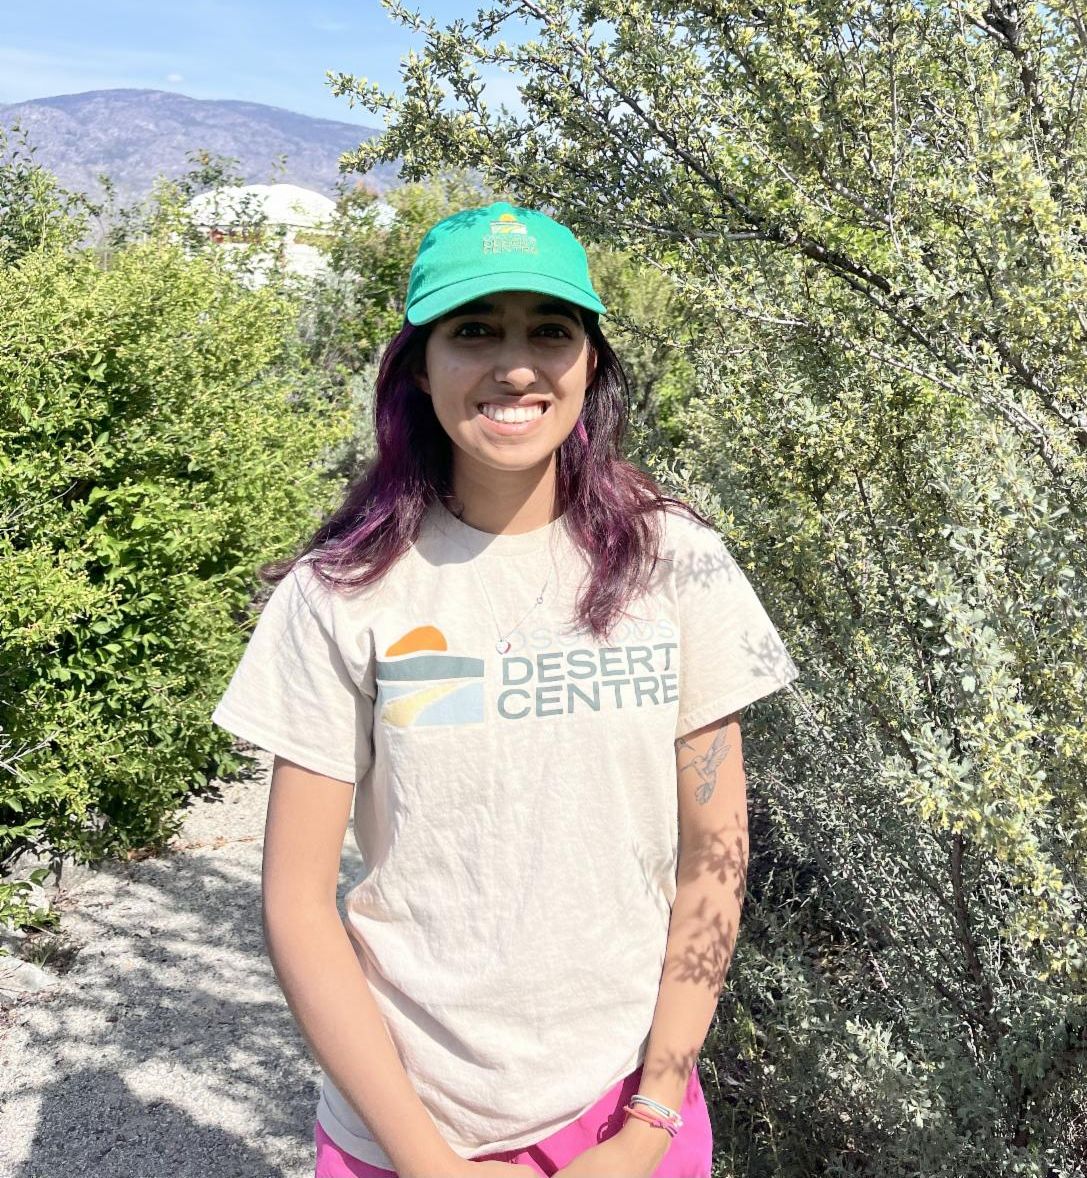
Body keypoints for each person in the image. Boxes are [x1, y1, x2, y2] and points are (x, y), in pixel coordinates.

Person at [211, 200, 800, 1178]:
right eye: (475, 330)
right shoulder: (343, 591)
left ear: (590, 362)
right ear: (419, 365)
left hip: (626, 1111)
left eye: (549, 331)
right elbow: (297, 903)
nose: (516, 366)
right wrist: (426, 1162)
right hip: (405, 1126)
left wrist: (648, 1121)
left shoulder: (675, 561)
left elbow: (715, 853)